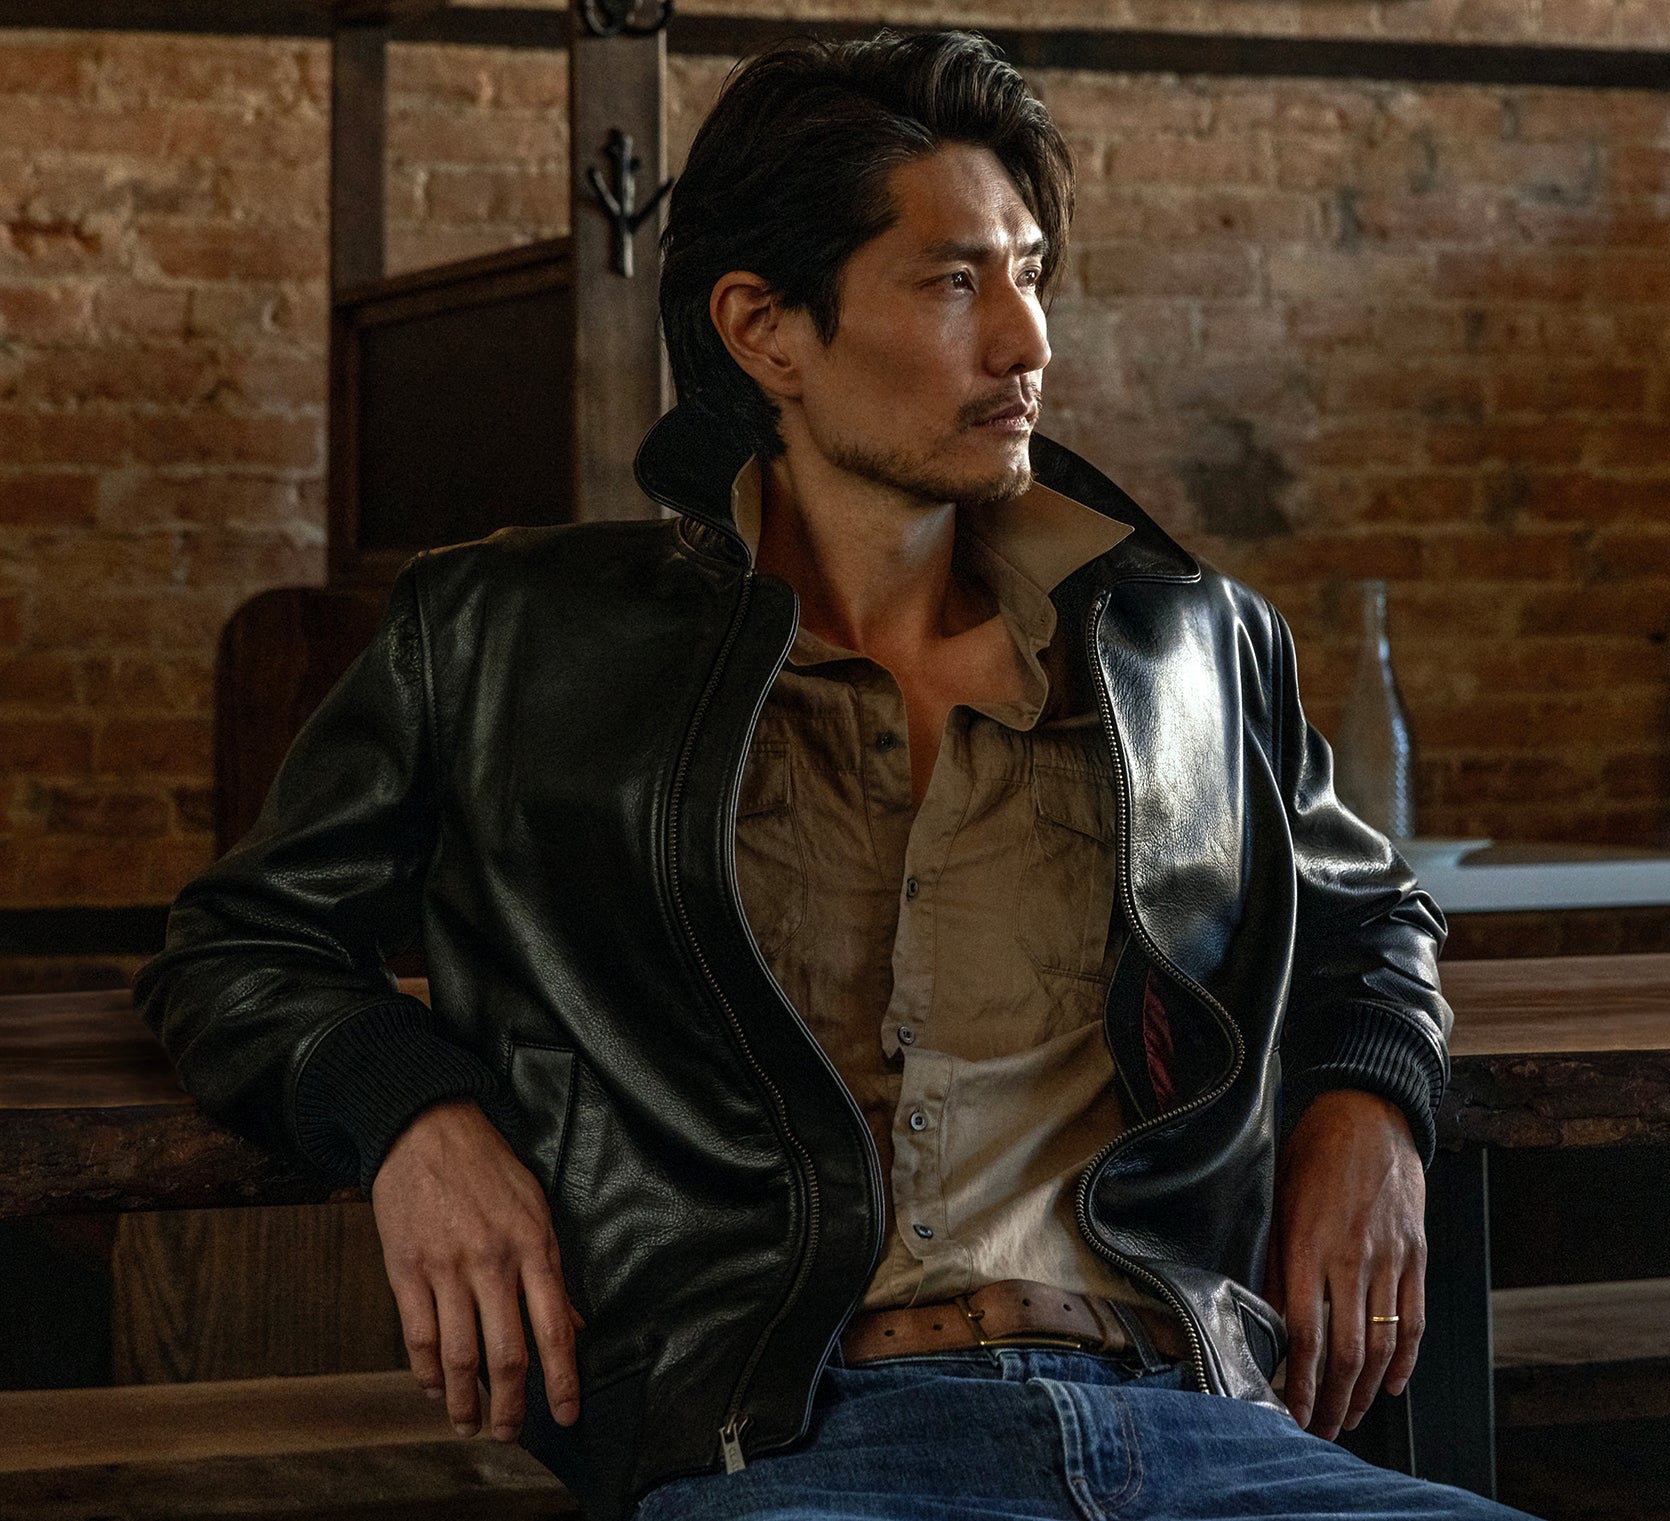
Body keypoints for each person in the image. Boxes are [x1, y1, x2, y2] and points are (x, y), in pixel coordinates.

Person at [136, 29, 1533, 1521]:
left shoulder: (1192, 643)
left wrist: (1370, 1108)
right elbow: (238, 945)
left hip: (1193, 1421)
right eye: (953, 283)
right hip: (791, 1449)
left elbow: (1369, 918)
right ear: (766, 331)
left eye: (1030, 273)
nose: (1026, 342)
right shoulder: (506, 640)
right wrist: (416, 1117)